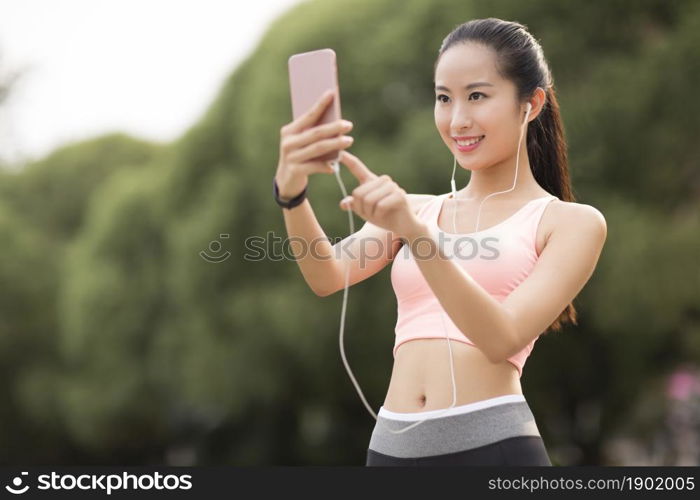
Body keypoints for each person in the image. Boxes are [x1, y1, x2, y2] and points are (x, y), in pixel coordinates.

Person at [273, 17, 607, 466]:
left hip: (494, 448)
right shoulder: (417, 209)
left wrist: (416, 234)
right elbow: (326, 274)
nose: (457, 119)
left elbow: (500, 337)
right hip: (391, 448)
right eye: (444, 99)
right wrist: (291, 193)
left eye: (477, 96)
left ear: (531, 103)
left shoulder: (571, 223)